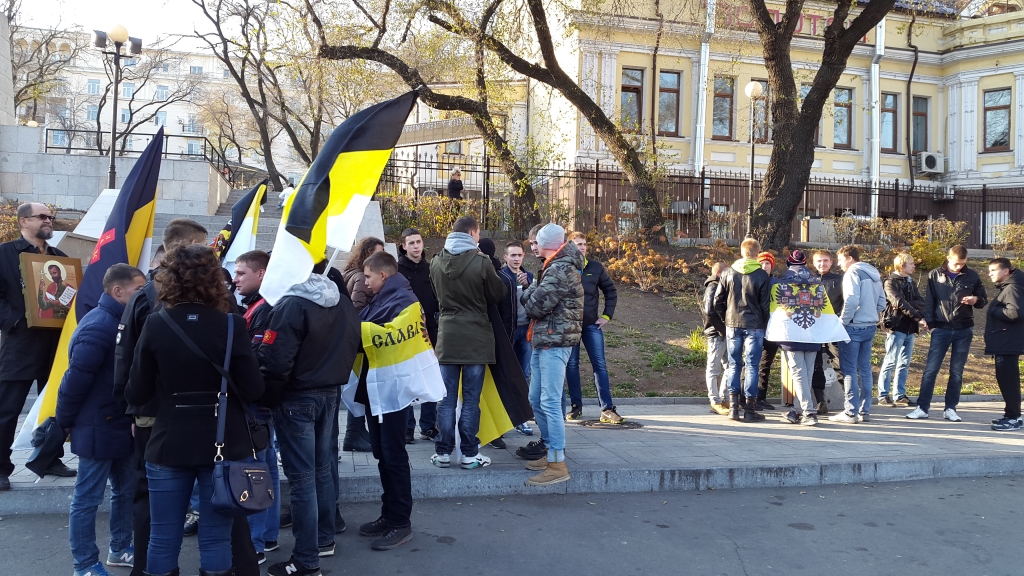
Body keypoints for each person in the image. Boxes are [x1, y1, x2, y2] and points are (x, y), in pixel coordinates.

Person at [124, 244, 265, 576]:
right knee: (216, 539)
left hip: (169, 439)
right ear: (216, 279)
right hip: (223, 441)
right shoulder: (232, 325)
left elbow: (137, 391)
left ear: (169, 279)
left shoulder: (157, 324)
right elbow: (255, 389)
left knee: (162, 536)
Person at [113, 218, 219, 576]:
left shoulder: (148, 296)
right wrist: (131, 408)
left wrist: (130, 406)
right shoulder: (150, 296)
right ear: (188, 246)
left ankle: (148, 568)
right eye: (205, 246)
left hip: (159, 414)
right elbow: (126, 357)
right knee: (154, 499)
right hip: (178, 414)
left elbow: (126, 360)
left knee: (154, 504)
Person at [259, 258, 360, 576]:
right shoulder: (341, 303)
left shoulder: (291, 304)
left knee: (303, 478)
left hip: (297, 397)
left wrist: (268, 399)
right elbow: (352, 345)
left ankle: (306, 559)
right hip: (329, 391)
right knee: (320, 470)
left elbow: (275, 359)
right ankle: (322, 540)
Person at [57, 264, 146, 576]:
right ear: (117, 291)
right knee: (88, 498)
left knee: (124, 490)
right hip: (97, 425)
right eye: (138, 289)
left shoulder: (120, 321)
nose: (144, 295)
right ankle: (84, 564)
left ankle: (120, 548)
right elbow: (74, 380)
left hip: (119, 424)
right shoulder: (99, 326)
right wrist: (64, 422)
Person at [0, 202, 77, 491]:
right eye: (42, 217)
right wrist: (18, 323)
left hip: (55, 345)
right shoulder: (5, 254)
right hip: (19, 344)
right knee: (7, 410)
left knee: (55, 405)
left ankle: (50, 458)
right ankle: (1, 466)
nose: (49, 220)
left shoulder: (60, 258)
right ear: (23, 222)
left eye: (50, 217)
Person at [429, 216, 506, 470]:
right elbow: (497, 294)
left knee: (446, 399)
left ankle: (442, 453)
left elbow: (436, 294)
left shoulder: (436, 261)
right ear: (473, 233)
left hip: (447, 337)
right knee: (471, 400)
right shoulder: (481, 261)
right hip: (476, 337)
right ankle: (470, 454)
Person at [355, 251, 418, 550]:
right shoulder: (383, 298)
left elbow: (378, 334)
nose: (365, 283)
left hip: (393, 391)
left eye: (368, 277)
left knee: (394, 456)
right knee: (383, 454)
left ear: (383, 275)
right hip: (377, 388)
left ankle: (400, 522)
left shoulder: (403, 300)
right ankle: (388, 514)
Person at [521, 223, 583, 486]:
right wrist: (533, 292)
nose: (533, 246)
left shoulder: (560, 268)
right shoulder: (553, 265)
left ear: (547, 243)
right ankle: (549, 451)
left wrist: (526, 293)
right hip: (544, 339)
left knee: (549, 401)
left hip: (555, 342)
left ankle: (557, 464)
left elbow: (536, 305)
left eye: (537, 242)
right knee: (535, 398)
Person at [232, 250, 281, 564]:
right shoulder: (253, 306)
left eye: (241, 274)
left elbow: (257, 356)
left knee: (256, 472)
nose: (235, 279)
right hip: (259, 403)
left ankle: (256, 543)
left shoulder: (263, 309)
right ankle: (266, 536)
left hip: (255, 404)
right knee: (266, 471)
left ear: (261, 274)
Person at [766, 250, 849, 426]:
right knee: (807, 374)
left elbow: (774, 307)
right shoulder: (817, 285)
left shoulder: (779, 284)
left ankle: (809, 412)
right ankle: (796, 411)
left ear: (789, 264)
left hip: (791, 335)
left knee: (798, 374)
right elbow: (825, 311)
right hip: (812, 334)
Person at [907, 245, 988, 421]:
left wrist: (975, 299)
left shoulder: (972, 276)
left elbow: (983, 300)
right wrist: (932, 325)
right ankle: (922, 407)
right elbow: (930, 302)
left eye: (963, 264)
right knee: (931, 370)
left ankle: (950, 408)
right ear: (948, 258)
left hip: (963, 329)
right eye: (957, 263)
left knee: (956, 371)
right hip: (941, 328)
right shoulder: (935, 275)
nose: (960, 267)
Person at [563, 232, 622, 423]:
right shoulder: (564, 267)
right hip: (571, 326)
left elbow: (611, 291)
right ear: (570, 246)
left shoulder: (595, 267)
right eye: (578, 244)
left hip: (591, 326)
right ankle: (576, 407)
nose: (582, 247)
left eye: (584, 244)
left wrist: (606, 316)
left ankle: (607, 409)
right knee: (571, 366)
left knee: (600, 365)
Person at [714, 238, 771, 423]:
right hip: (754, 325)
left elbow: (717, 301)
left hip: (732, 324)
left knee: (733, 364)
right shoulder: (762, 275)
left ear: (741, 251)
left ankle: (733, 408)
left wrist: (726, 319)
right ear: (757, 252)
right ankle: (750, 409)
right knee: (752, 366)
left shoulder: (728, 272)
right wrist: (764, 324)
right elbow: (765, 306)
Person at [830, 245, 886, 424]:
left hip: (853, 327)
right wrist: (870, 314)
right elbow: (882, 303)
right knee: (865, 370)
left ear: (849, 258)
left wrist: (843, 321)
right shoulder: (873, 273)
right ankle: (865, 411)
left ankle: (850, 412)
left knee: (849, 370)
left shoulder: (852, 273)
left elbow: (852, 299)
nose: (839, 265)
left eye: (840, 260)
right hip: (870, 326)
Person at [341, 236, 384, 452]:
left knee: (358, 388)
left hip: (352, 341)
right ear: (366, 255)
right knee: (360, 389)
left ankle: (356, 433)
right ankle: (354, 434)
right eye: (377, 253)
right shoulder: (361, 279)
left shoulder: (351, 273)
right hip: (360, 343)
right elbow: (358, 311)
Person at [396, 228, 439, 442]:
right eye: (411, 242)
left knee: (429, 376)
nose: (415, 246)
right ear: (404, 246)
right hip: (406, 331)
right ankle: (407, 427)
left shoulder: (430, 269)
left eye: (418, 242)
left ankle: (429, 424)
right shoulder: (397, 270)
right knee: (408, 379)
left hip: (430, 329)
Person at [478, 237, 516, 450]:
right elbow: (509, 316)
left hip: (485, 340)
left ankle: (491, 430)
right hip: (497, 341)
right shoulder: (500, 277)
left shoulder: (497, 278)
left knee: (484, 390)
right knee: (495, 388)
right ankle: (497, 430)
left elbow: (507, 313)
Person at [877, 252, 926, 407]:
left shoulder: (911, 282)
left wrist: (906, 303)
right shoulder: (890, 282)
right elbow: (898, 302)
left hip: (910, 328)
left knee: (904, 362)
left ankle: (899, 395)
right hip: (896, 327)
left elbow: (921, 301)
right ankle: (883, 395)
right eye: (911, 263)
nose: (914, 266)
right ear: (902, 265)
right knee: (890, 361)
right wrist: (917, 315)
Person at [499, 241, 535, 436]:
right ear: (505, 257)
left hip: (526, 331)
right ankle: (504, 419)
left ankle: (522, 419)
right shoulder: (501, 277)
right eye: (512, 255)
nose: (516, 259)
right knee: (506, 376)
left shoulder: (528, 276)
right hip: (508, 332)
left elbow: (535, 300)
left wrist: (527, 285)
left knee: (524, 375)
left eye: (519, 255)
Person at [986, 258, 1024, 431]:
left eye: (993, 270)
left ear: (1006, 271)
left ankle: (1013, 417)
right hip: (1006, 341)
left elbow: (1015, 313)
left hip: (1007, 342)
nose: (990, 274)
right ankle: (1011, 415)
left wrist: (995, 310)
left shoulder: (1013, 287)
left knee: (1008, 380)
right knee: (1007, 379)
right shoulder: (1011, 285)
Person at [810, 250, 844, 414]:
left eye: (825, 261)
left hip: (833, 326)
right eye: (819, 261)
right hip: (813, 328)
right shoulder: (809, 280)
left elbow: (846, 302)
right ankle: (820, 400)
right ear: (814, 263)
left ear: (831, 262)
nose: (822, 264)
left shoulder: (840, 280)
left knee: (838, 362)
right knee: (815, 365)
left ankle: (850, 400)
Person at [702, 262, 729, 415]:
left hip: (721, 332)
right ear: (720, 273)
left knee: (729, 366)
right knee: (714, 368)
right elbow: (709, 312)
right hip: (716, 333)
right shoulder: (713, 286)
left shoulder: (719, 286)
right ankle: (715, 401)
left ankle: (723, 397)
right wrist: (722, 330)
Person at [753, 251, 778, 411]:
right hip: (756, 328)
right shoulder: (753, 280)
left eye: (767, 263)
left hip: (773, 328)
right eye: (761, 263)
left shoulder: (776, 283)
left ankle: (761, 397)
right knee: (751, 363)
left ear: (771, 265)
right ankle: (747, 397)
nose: (764, 266)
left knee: (765, 364)